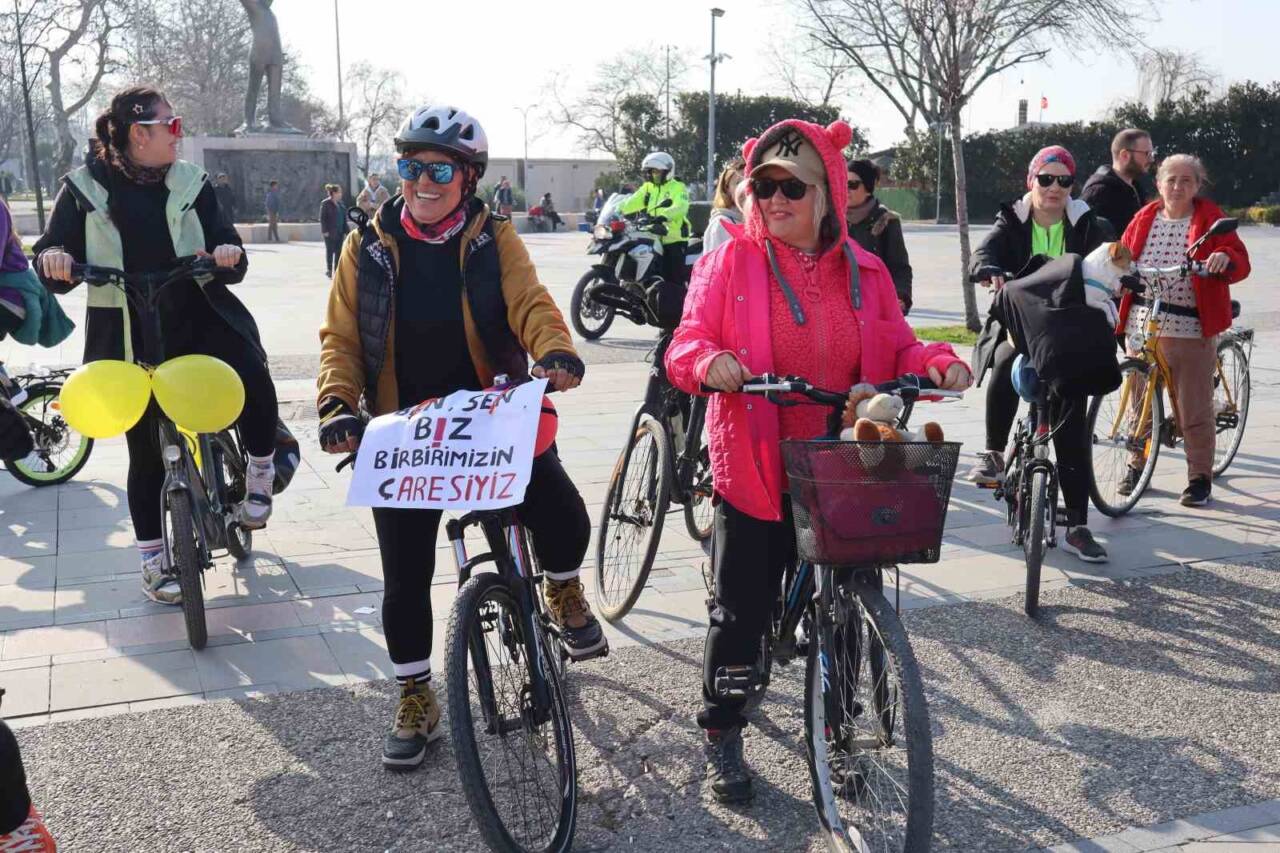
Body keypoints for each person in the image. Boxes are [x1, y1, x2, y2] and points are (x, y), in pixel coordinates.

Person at [665, 118, 971, 804]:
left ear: (827, 193)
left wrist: (937, 361)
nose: (774, 199)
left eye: (792, 187)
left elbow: (901, 344)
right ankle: (722, 728)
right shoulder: (728, 263)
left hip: (842, 467)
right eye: (763, 186)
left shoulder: (866, 269)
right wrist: (708, 361)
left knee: (851, 605)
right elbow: (685, 342)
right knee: (741, 609)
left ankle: (838, 731)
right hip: (757, 461)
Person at [317, 103, 607, 772]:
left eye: (440, 170)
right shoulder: (367, 245)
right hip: (406, 428)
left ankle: (562, 588)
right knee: (404, 574)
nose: (423, 181)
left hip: (490, 413)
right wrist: (337, 404)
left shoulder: (492, 236)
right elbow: (340, 337)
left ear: (468, 177)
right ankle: (415, 694)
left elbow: (530, 300)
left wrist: (554, 349)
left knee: (561, 511)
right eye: (411, 166)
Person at [33, 85, 281, 605]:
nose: (178, 134)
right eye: (171, 125)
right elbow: (51, 253)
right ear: (138, 134)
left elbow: (226, 242)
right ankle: (152, 561)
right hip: (124, 331)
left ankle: (261, 468)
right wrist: (54, 259)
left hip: (196, 312)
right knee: (144, 451)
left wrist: (227, 252)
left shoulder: (193, 182)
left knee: (250, 370)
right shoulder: (82, 189)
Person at [966, 145, 1113, 561]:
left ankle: (1078, 527)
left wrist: (1124, 276)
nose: (1054, 187)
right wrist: (988, 269)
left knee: (1071, 423)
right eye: (1045, 179)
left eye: (1063, 180)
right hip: (1020, 321)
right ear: (1031, 181)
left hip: (1068, 328)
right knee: (1006, 361)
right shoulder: (1011, 220)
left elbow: (1112, 257)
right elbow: (983, 252)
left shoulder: (1089, 223)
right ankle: (994, 454)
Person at [1116, 154, 1250, 506]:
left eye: (1186, 180)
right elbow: (1122, 255)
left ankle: (1198, 477)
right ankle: (1136, 465)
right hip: (1142, 323)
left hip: (1190, 325)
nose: (1177, 186)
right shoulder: (1144, 216)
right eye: (1171, 179)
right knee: (1139, 402)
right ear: (1159, 183)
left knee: (1194, 407)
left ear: (1198, 185)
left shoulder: (1210, 218)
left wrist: (1224, 257)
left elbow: (1239, 259)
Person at [846, 159, 913, 314]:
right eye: (842, 182)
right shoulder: (831, 219)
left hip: (875, 305)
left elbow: (899, 267)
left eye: (852, 185)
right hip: (840, 305)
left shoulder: (886, 220)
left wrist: (900, 296)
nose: (845, 189)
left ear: (868, 188)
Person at [619, 152, 691, 287]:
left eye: (656, 172)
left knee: (672, 278)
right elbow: (632, 202)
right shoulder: (648, 187)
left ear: (667, 171)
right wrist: (618, 210)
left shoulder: (678, 187)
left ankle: (678, 298)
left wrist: (664, 215)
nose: (652, 175)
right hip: (652, 234)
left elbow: (681, 206)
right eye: (650, 172)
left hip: (673, 237)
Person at [1082, 128, 1154, 237]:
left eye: (1152, 153)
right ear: (1125, 155)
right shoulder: (1099, 193)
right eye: (1147, 154)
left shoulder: (1136, 189)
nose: (1151, 159)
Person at [701, 157, 745, 254]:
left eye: (748, 180)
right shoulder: (720, 225)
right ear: (727, 189)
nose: (745, 187)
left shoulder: (759, 221)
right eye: (738, 183)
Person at [318, 183, 347, 278]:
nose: (341, 194)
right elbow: (323, 218)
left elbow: (344, 219)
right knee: (330, 251)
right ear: (334, 193)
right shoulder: (326, 203)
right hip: (330, 232)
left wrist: (347, 232)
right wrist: (324, 231)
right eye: (339, 192)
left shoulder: (341, 204)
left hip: (339, 232)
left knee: (339, 252)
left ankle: (337, 270)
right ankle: (329, 270)